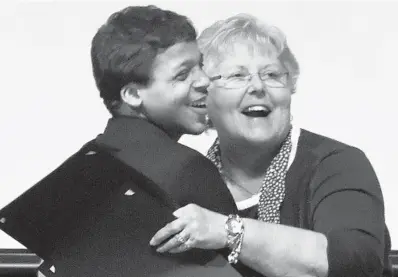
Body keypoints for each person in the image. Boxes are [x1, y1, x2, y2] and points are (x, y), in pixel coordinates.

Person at [0, 5, 242, 277]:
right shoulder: (189, 170)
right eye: (182, 74)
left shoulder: (84, 168)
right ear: (132, 95)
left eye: (200, 65)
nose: (204, 80)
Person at [150, 14, 392, 277]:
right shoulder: (186, 179)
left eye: (272, 74)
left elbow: (355, 264)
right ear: (204, 95)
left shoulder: (337, 164)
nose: (257, 86)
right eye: (237, 76)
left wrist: (228, 231)